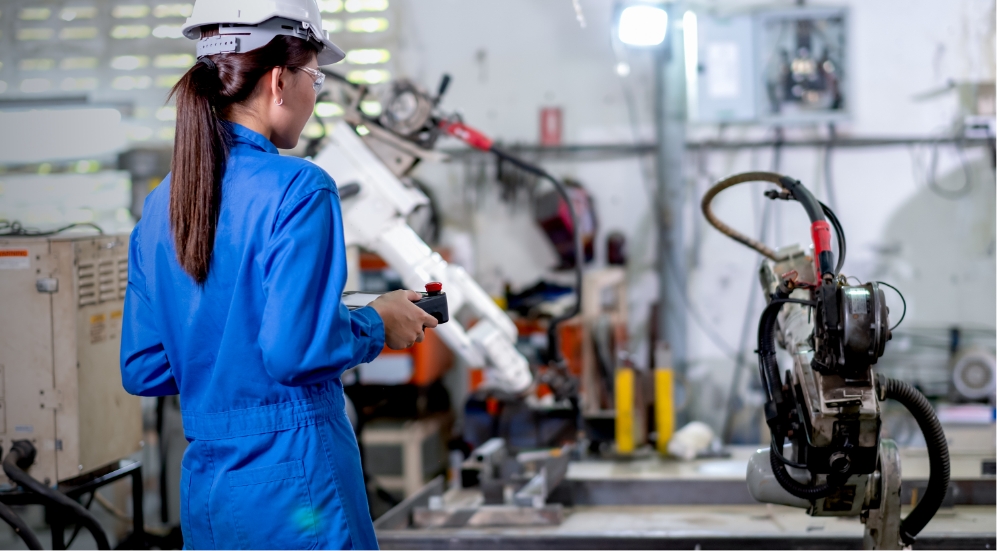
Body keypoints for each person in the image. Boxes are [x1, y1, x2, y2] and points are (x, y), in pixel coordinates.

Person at [118, 1, 438, 548]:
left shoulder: (160, 203)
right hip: (296, 494)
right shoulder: (300, 188)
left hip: (211, 494)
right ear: (277, 81)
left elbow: (145, 368)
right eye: (314, 75)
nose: (315, 94)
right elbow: (294, 354)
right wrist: (376, 323)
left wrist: (228, 372)